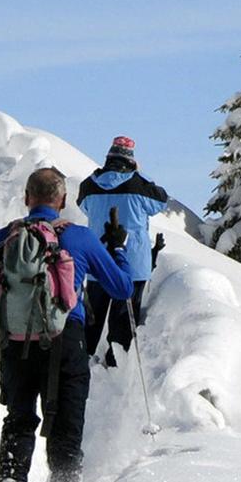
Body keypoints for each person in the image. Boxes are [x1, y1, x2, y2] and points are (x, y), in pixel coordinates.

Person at [0, 165, 132, 482]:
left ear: (26, 198)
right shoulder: (80, 239)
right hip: (66, 343)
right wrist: (117, 249)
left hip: (15, 346)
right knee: (66, 433)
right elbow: (120, 289)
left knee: (19, 422)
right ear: (63, 200)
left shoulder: (7, 238)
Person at [76, 136, 171, 362]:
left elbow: (83, 206)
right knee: (122, 320)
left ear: (109, 157)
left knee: (92, 316)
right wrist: (139, 173)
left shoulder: (89, 185)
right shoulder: (140, 185)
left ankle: (82, 358)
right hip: (133, 263)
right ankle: (115, 362)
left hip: (97, 259)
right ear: (131, 160)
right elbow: (162, 200)